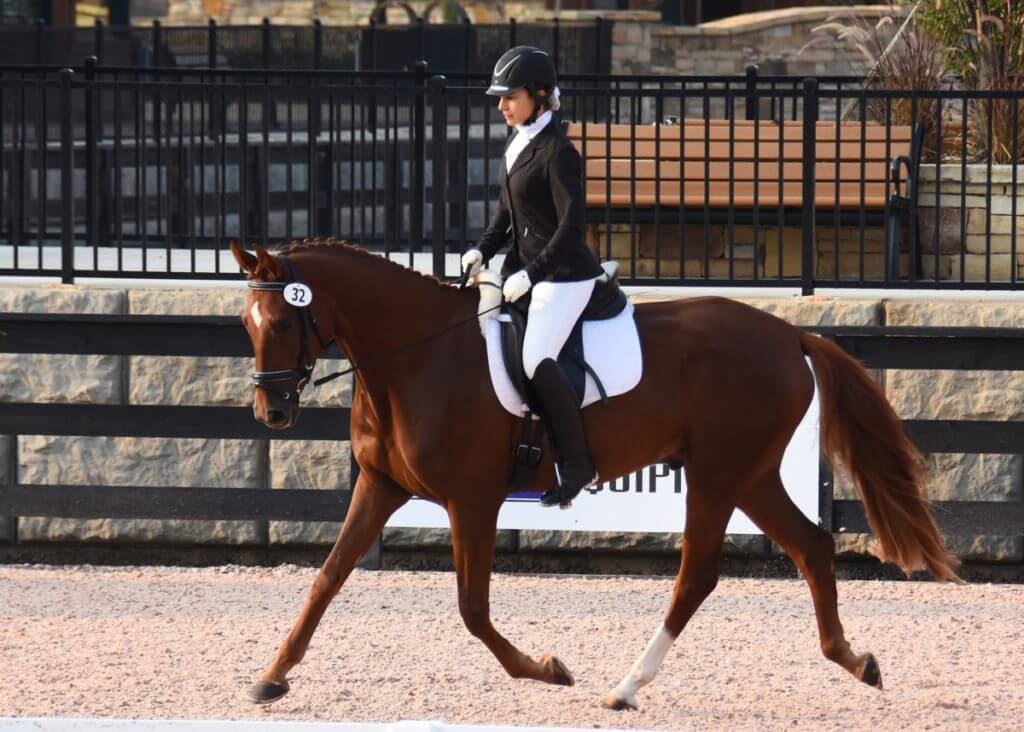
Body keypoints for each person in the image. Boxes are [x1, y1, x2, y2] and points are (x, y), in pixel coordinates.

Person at [461, 46, 605, 509]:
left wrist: (532, 272)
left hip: (564, 276)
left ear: (540, 95)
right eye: (500, 98)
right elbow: (506, 214)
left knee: (535, 357)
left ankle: (578, 464)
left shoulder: (559, 152)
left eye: (510, 97)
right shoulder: (519, 142)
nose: (502, 106)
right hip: (523, 274)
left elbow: (571, 227)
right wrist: (481, 250)